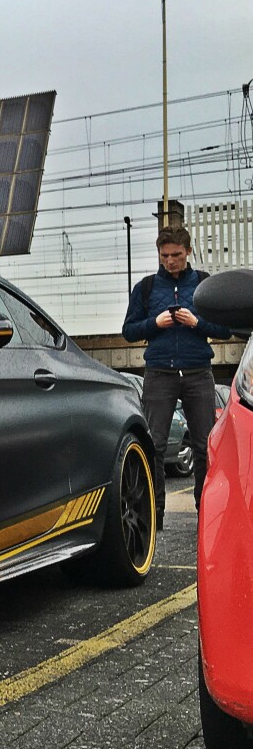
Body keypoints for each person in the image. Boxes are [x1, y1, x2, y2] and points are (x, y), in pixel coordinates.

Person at [122, 225, 231, 526]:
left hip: (198, 371)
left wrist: (197, 323)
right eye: (164, 255)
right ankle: (154, 515)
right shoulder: (145, 288)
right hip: (159, 372)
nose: (170, 261)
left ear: (188, 252)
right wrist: (155, 323)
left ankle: (207, 513)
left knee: (204, 446)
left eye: (176, 255)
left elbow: (225, 330)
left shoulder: (204, 285)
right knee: (154, 445)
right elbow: (129, 331)